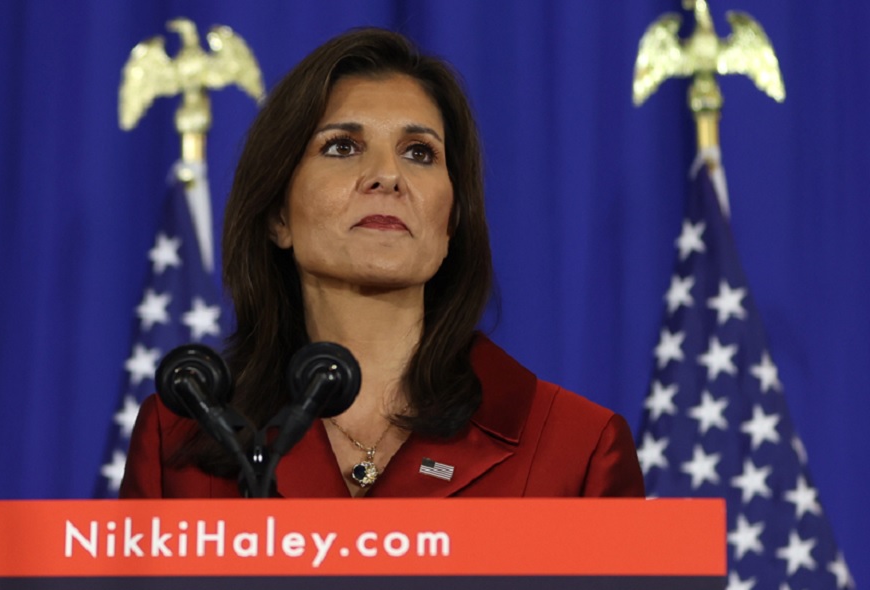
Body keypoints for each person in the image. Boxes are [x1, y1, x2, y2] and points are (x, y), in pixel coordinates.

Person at [120, 28, 644, 499]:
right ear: (278, 214)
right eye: (343, 146)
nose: (387, 176)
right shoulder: (184, 437)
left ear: (450, 222)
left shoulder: (576, 450)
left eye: (419, 153)